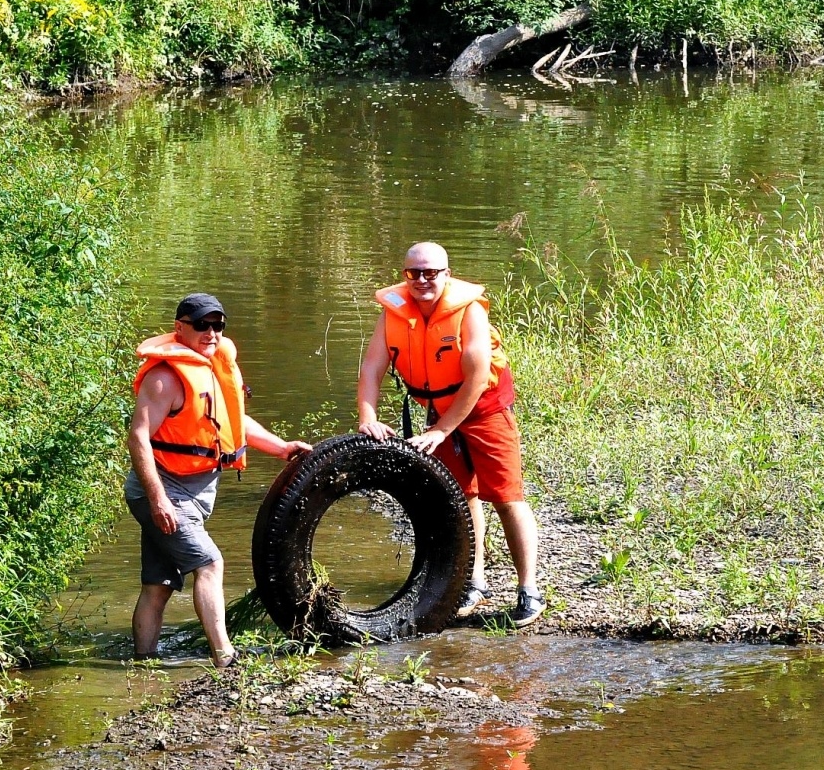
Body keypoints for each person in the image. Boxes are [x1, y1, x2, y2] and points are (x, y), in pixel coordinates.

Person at [355, 243, 542, 626]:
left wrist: (442, 431)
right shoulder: (393, 313)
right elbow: (372, 367)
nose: (422, 280)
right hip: (439, 409)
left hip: (484, 407)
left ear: (446, 273)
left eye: (431, 273)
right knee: (462, 496)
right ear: (405, 275)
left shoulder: (468, 311)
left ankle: (529, 590)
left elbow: (475, 379)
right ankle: (473, 581)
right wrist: (367, 417)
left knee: (507, 498)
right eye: (414, 274)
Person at [126, 293, 311, 665]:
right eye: (201, 325)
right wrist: (158, 498)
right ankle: (225, 657)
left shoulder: (212, 366)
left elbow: (232, 423)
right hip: (163, 492)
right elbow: (138, 437)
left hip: (194, 490)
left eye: (217, 325)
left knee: (158, 585)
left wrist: (280, 448)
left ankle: (143, 664)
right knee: (209, 563)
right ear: (179, 328)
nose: (211, 333)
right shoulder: (166, 378)